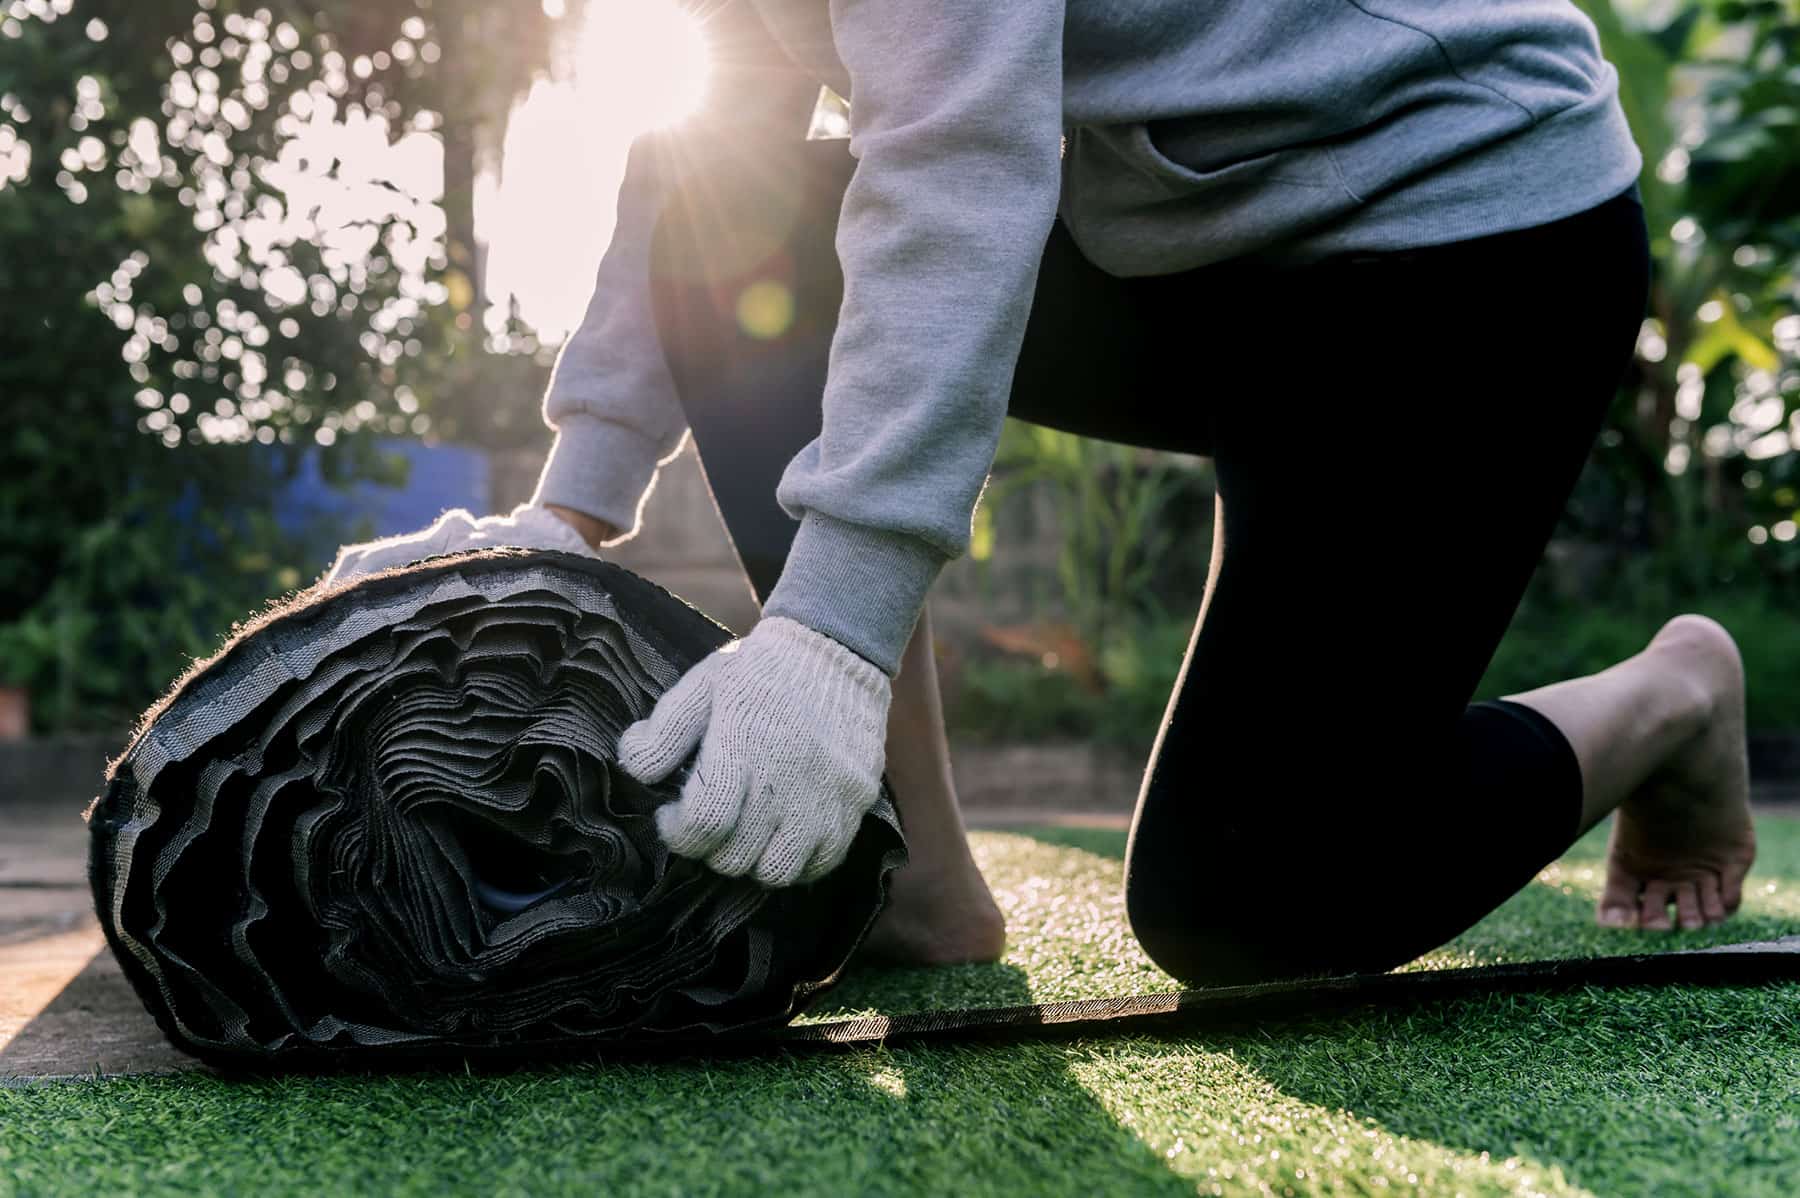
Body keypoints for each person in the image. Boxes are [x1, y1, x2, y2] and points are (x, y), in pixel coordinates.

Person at [329, 0, 1757, 984]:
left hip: (1456, 240)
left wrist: (830, 631)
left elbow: (959, 163)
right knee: (749, 198)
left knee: (1243, 897)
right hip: (1191, 247)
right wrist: (564, 515)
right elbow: (711, 147)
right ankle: (915, 883)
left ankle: (1673, 695)